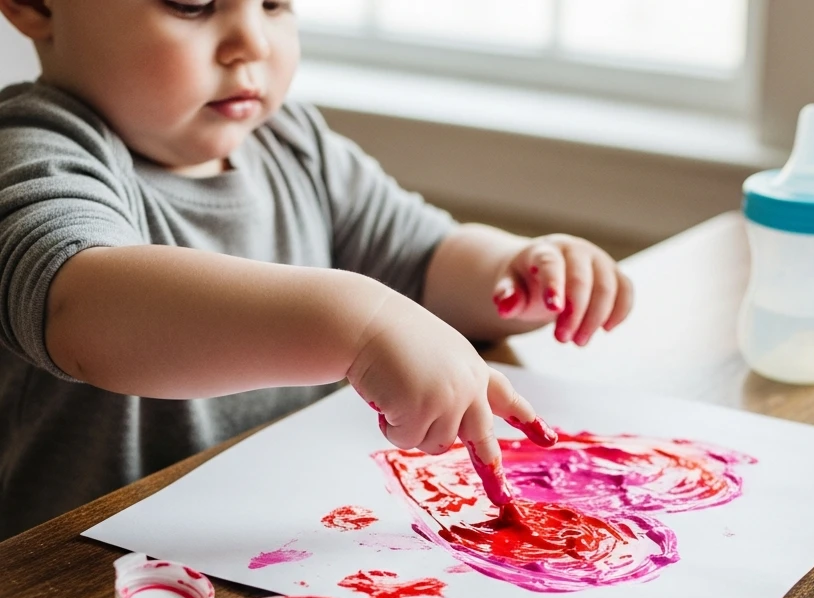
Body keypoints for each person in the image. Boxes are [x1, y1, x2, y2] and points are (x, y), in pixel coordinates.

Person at [0, 0, 634, 540]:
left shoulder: (293, 144)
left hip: (265, 543)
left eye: (275, 1)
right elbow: (82, 308)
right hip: (77, 591)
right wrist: (358, 322)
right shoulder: (31, 148)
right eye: (192, 3)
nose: (252, 40)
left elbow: (423, 262)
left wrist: (515, 271)